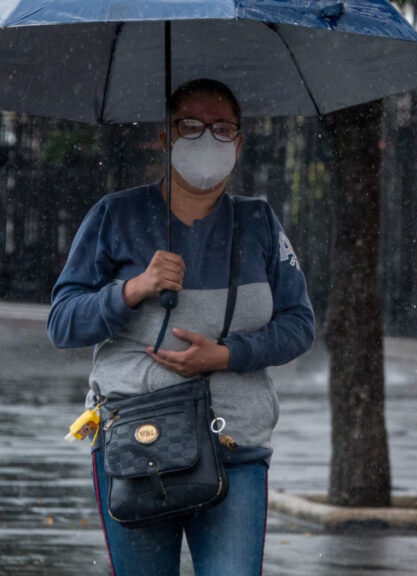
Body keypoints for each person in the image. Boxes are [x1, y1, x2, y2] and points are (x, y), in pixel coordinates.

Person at [47, 78, 315, 575]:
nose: (206, 139)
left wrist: (228, 354)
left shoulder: (258, 222)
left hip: (235, 445)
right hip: (136, 445)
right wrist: (134, 289)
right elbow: (62, 323)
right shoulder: (115, 216)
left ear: (239, 142)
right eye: (190, 126)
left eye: (221, 128)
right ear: (166, 136)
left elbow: (299, 324)